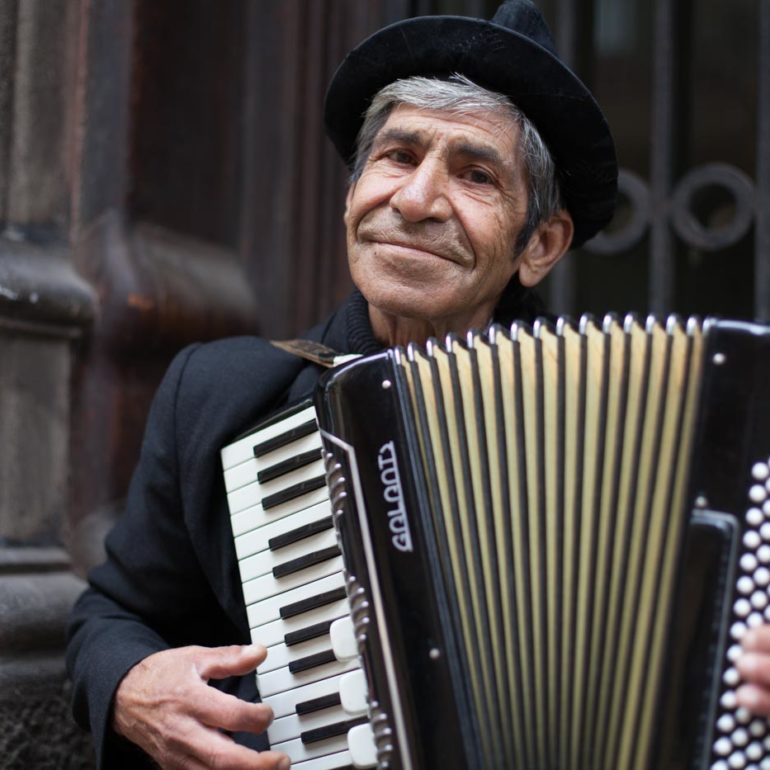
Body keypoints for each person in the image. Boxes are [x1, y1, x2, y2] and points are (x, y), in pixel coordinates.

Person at [66, 1, 770, 768]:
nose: (414, 201)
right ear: (352, 192)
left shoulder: (652, 427)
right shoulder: (221, 394)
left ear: (539, 244)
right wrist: (133, 683)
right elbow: (114, 614)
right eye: (398, 157)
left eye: (474, 175)